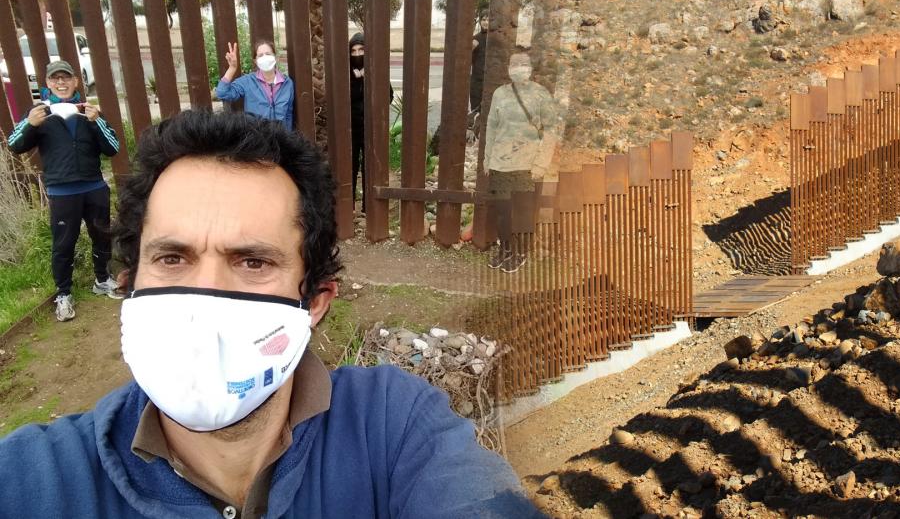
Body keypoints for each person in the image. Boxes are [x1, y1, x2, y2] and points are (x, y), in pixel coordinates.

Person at [0, 110, 542, 518]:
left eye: (253, 261)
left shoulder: (394, 427)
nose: (205, 297)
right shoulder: (36, 478)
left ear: (315, 304)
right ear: (129, 285)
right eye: (172, 257)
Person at [6, 60, 122, 321]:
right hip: (62, 192)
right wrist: (30, 124)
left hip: (94, 187)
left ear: (76, 82)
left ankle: (102, 280)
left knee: (102, 236)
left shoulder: (88, 111)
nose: (61, 83)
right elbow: (15, 145)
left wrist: (96, 122)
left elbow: (112, 148)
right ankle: (63, 294)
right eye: (55, 79)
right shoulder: (40, 113)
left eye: (66, 78)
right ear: (47, 83)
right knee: (63, 244)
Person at [483, 52, 559, 273]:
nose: (519, 68)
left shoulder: (540, 94)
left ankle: (521, 252)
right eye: (514, 64)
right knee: (503, 210)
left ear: (530, 68)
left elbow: (551, 130)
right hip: (501, 162)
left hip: (527, 164)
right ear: (508, 68)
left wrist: (541, 164)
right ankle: (505, 248)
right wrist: (488, 159)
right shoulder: (500, 94)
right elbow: (491, 127)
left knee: (523, 212)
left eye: (523, 64)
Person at [348, 32, 394, 214]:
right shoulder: (346, 73)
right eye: (354, 51)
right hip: (351, 129)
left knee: (369, 167)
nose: (358, 54)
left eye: (361, 49)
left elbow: (388, 96)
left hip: (370, 129)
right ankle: (349, 205)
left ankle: (368, 207)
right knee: (351, 167)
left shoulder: (376, 71)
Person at [216, 39, 295, 130]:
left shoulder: (287, 83)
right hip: (256, 138)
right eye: (260, 55)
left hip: (280, 139)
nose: (265, 57)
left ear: (275, 58)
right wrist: (232, 68)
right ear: (255, 61)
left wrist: (288, 137)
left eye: (268, 54)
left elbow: (288, 114)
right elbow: (222, 93)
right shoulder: (247, 81)